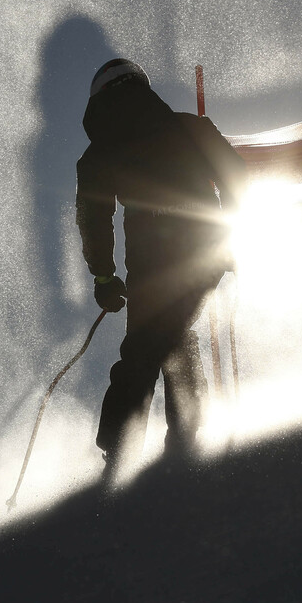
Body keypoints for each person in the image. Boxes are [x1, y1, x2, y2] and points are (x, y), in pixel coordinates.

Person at [76, 57, 247, 481]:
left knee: (147, 344)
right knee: (172, 337)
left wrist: (103, 276)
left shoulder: (101, 152)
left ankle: (122, 450)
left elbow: (94, 220)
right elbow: (237, 176)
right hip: (204, 254)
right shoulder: (191, 126)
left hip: (151, 265)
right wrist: (230, 232)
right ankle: (183, 440)